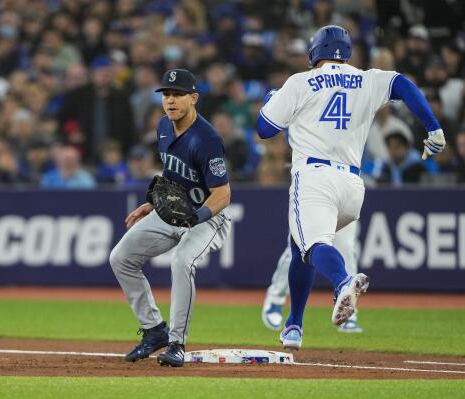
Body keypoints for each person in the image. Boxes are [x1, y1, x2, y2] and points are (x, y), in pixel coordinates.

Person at [256, 25, 445, 350]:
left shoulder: (300, 81)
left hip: (314, 177)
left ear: (314, 52)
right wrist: (433, 127)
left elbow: (263, 129)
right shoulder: (367, 78)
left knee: (312, 246)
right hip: (352, 185)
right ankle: (294, 326)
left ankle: (343, 281)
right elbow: (404, 84)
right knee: (302, 248)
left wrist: (271, 99)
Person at [109, 69, 232, 367]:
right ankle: (154, 331)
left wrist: (198, 216)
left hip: (208, 219)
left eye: (177, 94)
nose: (170, 100)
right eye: (166, 94)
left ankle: (177, 342)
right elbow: (172, 175)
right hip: (171, 214)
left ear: (193, 97)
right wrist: (151, 203)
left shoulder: (207, 139)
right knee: (120, 257)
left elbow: (223, 193)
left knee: (182, 262)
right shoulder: (163, 127)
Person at [261, 222, 362, 334]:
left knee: (346, 248)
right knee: (298, 248)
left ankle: (348, 312)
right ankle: (276, 297)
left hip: (344, 204)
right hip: (310, 204)